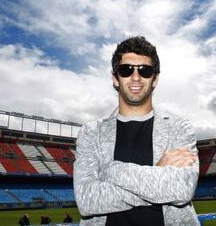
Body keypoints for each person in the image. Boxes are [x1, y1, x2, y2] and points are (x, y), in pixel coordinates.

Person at [74, 36, 200, 225]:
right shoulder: (91, 133)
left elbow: (182, 190)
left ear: (155, 79)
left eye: (145, 70)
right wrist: (157, 173)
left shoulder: (179, 128)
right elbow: (87, 200)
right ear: (115, 78)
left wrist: (111, 170)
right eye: (126, 70)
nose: (135, 77)